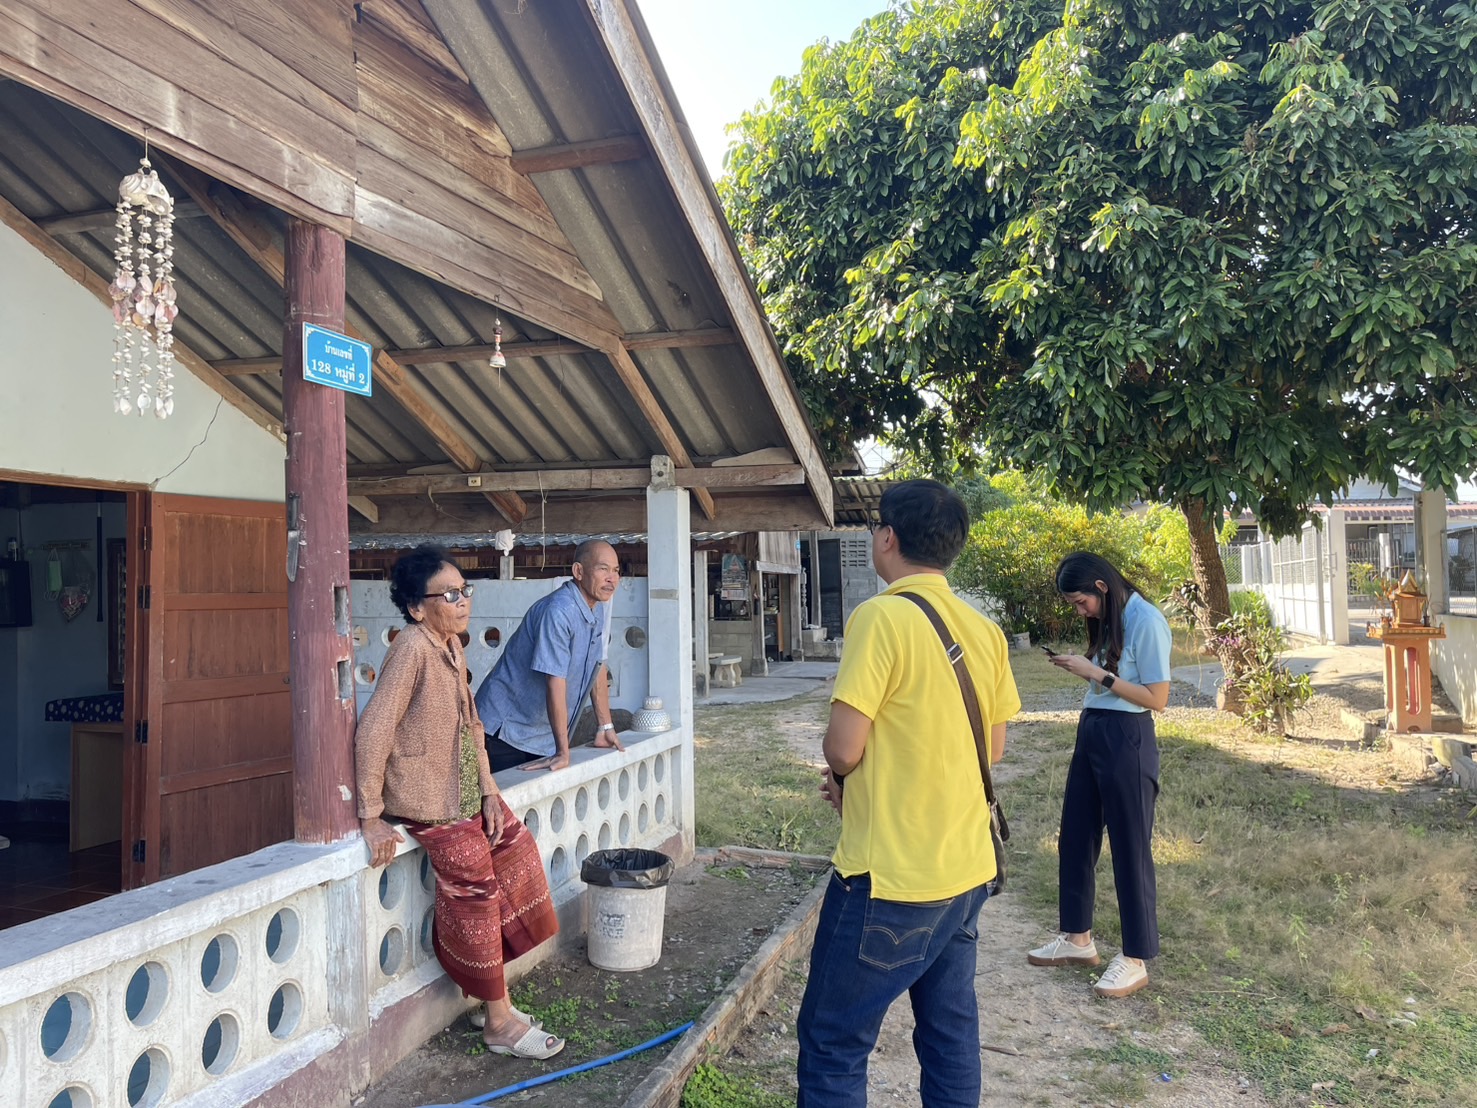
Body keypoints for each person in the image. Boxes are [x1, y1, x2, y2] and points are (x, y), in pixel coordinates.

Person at [796, 479, 1021, 1108]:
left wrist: (850, 779)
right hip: (966, 870)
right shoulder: (984, 629)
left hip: (889, 879)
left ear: (887, 538)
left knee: (833, 1042)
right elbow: (992, 747)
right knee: (950, 1036)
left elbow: (843, 749)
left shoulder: (880, 617)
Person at [355, 545, 565, 1060]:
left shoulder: (449, 644)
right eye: (449, 595)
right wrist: (371, 815)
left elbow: (472, 724)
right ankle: (498, 1022)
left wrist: (489, 791)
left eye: (464, 590)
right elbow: (374, 729)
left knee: (515, 850)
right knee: (477, 892)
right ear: (416, 608)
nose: (463, 600)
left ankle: (491, 995)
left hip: (463, 790)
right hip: (424, 798)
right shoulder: (411, 648)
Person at [1029, 551, 1172, 999]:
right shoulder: (1110, 617)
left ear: (1102, 587)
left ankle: (1135, 959)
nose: (1080, 611)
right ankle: (1077, 939)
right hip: (1094, 728)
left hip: (1127, 738)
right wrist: (1087, 671)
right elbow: (1110, 679)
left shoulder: (1146, 620)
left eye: (1080, 602)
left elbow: (1157, 698)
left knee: (1130, 847)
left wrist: (1097, 674)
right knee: (1075, 836)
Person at [476, 539, 624, 773]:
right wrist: (562, 751)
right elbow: (554, 681)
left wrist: (605, 727)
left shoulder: (597, 608)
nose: (612, 578)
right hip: (504, 729)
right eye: (603, 569)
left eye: (616, 570)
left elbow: (597, 667)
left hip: (539, 734)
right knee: (507, 796)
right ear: (578, 571)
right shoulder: (559, 611)